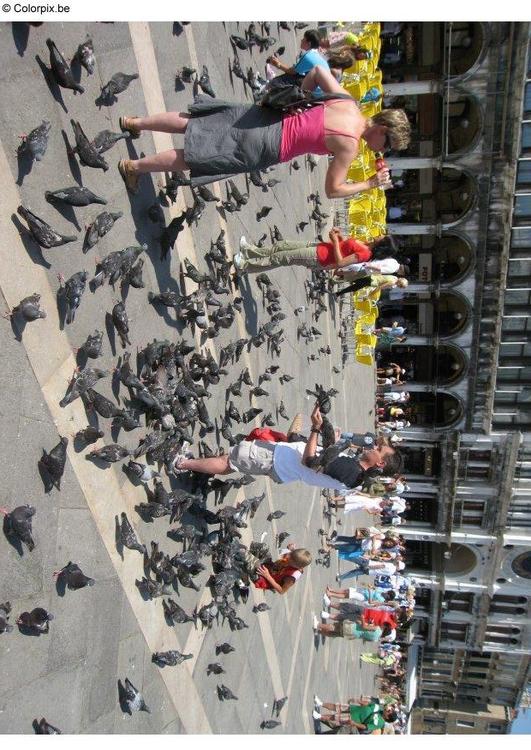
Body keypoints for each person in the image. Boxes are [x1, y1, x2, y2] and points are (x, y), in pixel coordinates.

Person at [117, 65, 411, 195]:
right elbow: (333, 190)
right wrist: (370, 184)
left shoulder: (349, 102)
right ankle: (134, 167)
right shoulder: (350, 145)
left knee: (195, 121)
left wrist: (299, 97)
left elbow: (319, 71)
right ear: (382, 128)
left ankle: (135, 122)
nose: (382, 150)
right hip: (269, 146)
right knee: (195, 156)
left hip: (267, 115)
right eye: (387, 144)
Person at [172, 403, 402, 491]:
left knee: (230, 460)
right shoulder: (353, 472)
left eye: (379, 449)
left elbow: (310, 461)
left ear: (380, 463)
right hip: (282, 464)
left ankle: (181, 464)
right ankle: (192, 465)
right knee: (232, 460)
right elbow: (325, 458)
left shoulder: (351, 471)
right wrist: (329, 432)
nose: (374, 446)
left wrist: (314, 429)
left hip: (280, 461)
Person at [233, 227, 375, 273]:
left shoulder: (366, 254)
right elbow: (346, 246)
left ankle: (244, 267)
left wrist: (335, 241)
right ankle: (248, 251)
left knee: (280, 258)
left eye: (385, 237)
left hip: (319, 257)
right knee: (282, 246)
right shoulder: (366, 243)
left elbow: (341, 262)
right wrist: (339, 236)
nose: (382, 234)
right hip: (319, 247)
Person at [313, 695, 398, 734]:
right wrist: (357, 701)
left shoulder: (380, 723)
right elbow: (368, 704)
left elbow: (366, 727)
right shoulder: (379, 708)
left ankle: (319, 716)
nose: (389, 709)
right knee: (336, 706)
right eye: (390, 709)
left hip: (353, 718)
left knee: (335, 717)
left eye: (390, 711)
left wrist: (354, 723)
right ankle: (320, 703)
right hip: (354, 708)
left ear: (388, 717)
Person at [335, 273, 408, 297]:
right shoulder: (392, 282)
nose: (399, 287)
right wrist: (372, 294)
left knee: (354, 280)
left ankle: (338, 279)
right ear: (400, 283)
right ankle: (338, 291)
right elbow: (380, 287)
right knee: (354, 286)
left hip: (372, 277)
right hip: (372, 282)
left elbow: (381, 275)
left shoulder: (394, 277)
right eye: (400, 286)